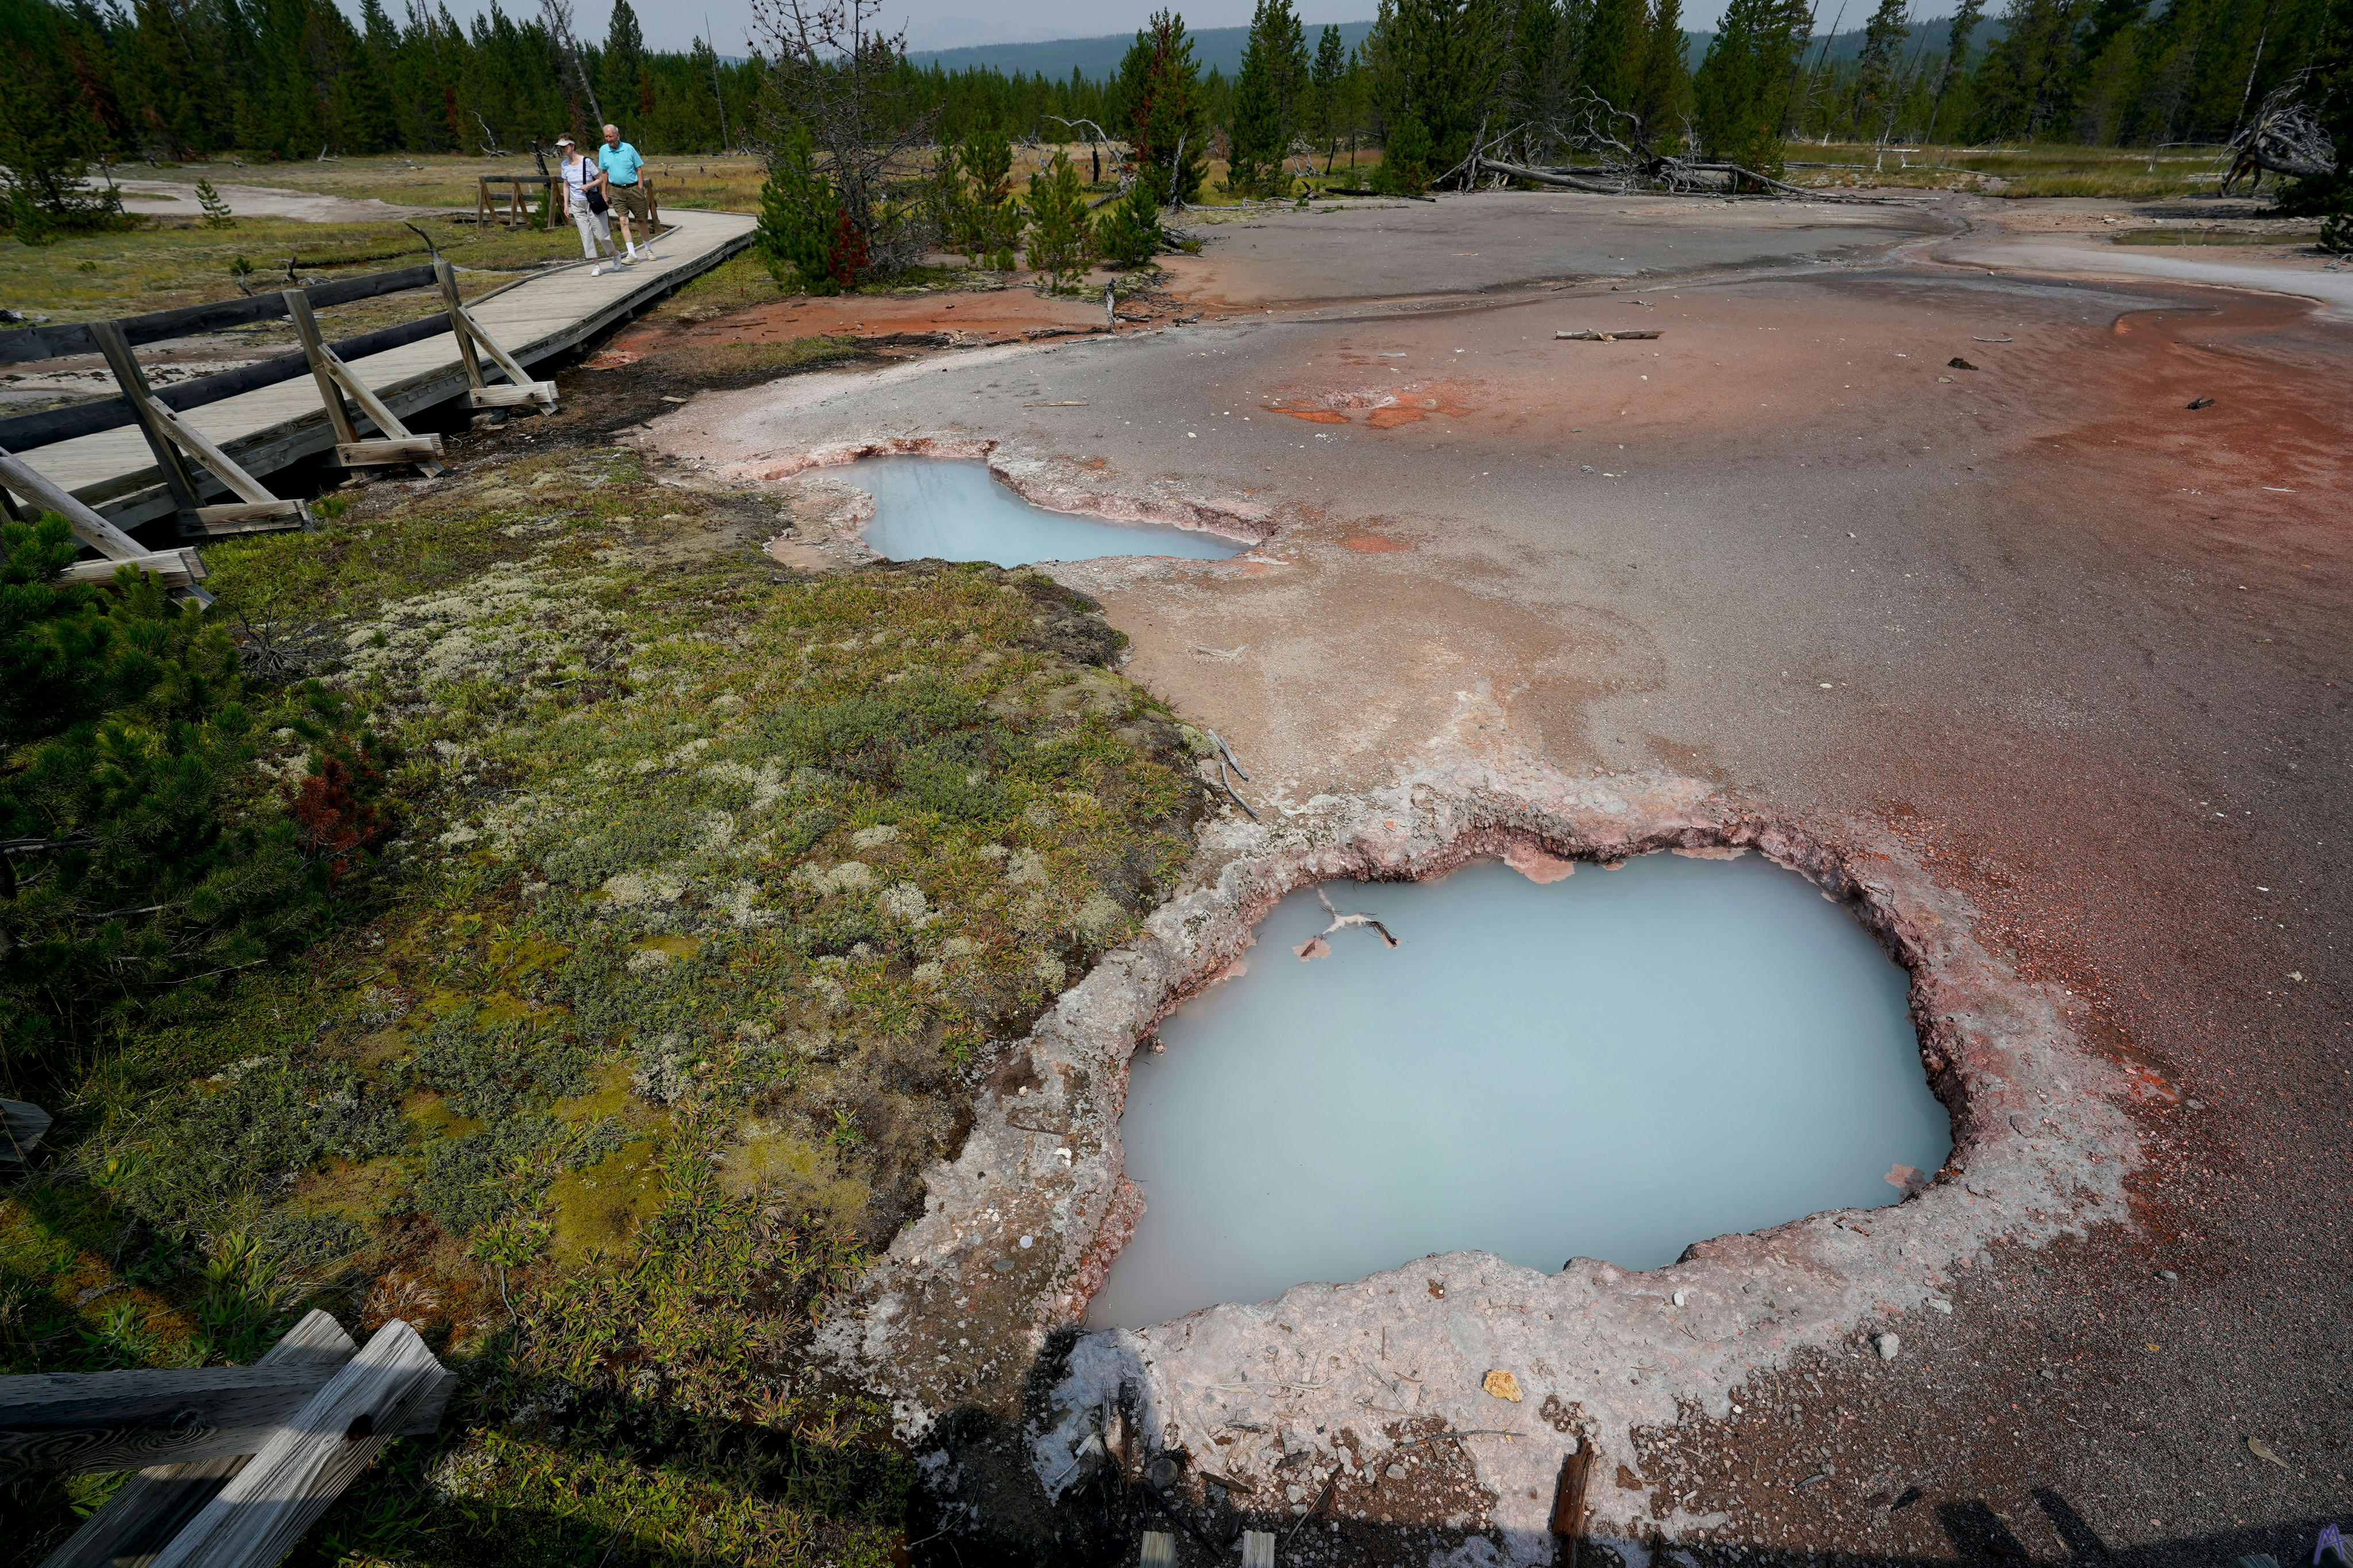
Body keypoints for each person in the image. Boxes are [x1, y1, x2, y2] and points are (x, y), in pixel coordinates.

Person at [554, 135, 618, 275]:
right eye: (560, 147)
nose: (562, 149)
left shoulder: (586, 162)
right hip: (576, 204)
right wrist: (566, 205)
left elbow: (600, 180)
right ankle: (596, 265)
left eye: (565, 146)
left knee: (602, 235)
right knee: (586, 234)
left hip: (592, 202)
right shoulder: (564, 165)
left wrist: (588, 186)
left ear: (572, 146)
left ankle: (615, 254)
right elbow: (566, 185)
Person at [597, 123, 654, 264]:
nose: (609, 139)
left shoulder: (628, 148)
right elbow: (604, 173)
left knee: (641, 220)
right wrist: (604, 193)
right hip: (616, 190)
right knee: (623, 221)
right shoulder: (603, 150)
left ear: (618, 136)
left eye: (611, 136)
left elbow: (639, 169)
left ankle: (648, 249)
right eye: (606, 137)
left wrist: (640, 188)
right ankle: (632, 254)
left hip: (633, 188)